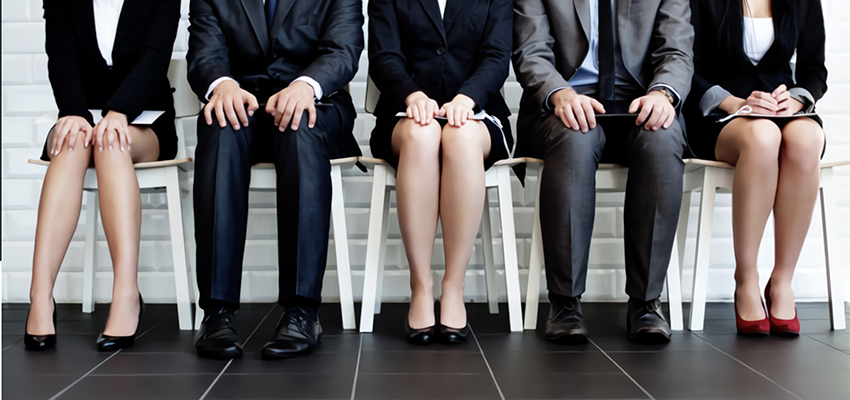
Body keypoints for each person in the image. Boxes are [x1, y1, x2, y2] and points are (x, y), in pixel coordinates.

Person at [187, 0, 364, 360]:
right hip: (244, 103)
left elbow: (343, 50)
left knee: (299, 127)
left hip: (315, 103)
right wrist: (222, 85)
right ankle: (217, 312)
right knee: (220, 129)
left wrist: (306, 85)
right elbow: (205, 53)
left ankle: (302, 311)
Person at [512, 0, 694, 344]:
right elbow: (531, 51)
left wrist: (662, 94)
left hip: (640, 102)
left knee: (662, 137)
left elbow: (676, 51)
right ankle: (565, 302)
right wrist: (560, 93)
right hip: (565, 102)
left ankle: (646, 302)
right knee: (575, 136)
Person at [24, 0, 180, 352]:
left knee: (111, 142)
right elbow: (60, 57)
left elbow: (154, 58)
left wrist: (119, 112)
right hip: (81, 113)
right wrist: (74, 112)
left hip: (142, 118)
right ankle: (40, 295)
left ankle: (126, 294)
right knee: (72, 142)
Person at [368, 0, 513, 344]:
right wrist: (412, 95)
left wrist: (467, 98)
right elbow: (384, 56)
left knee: (460, 138)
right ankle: (421, 285)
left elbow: (496, 56)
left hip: (476, 112)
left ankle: (453, 287)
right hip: (405, 113)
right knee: (423, 135)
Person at [685, 0, 827, 337]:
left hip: (780, 108)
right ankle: (746, 279)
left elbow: (814, 69)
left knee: (807, 138)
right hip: (720, 112)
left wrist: (796, 99)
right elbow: (685, 65)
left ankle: (782, 281)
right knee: (763, 137)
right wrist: (736, 103)